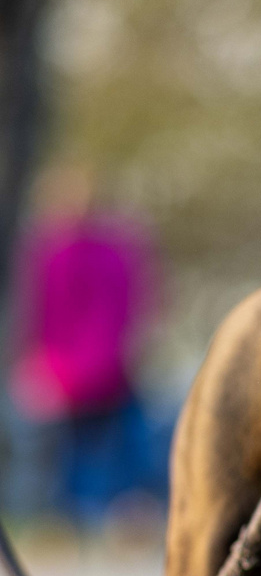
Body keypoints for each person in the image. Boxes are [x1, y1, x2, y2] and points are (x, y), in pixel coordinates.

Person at [8, 167, 157, 527]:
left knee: (76, 454)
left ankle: (81, 519)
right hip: (106, 370)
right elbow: (137, 305)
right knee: (108, 452)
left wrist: (31, 364)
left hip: (71, 374)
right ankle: (110, 514)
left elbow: (36, 313)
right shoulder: (117, 248)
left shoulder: (50, 250)